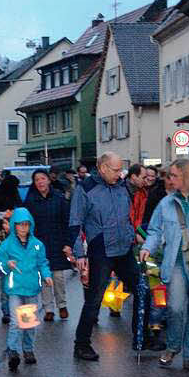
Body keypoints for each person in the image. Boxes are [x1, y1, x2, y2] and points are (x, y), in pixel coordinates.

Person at [69, 151, 144, 361]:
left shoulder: (121, 187)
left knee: (141, 289)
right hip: (101, 250)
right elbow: (75, 222)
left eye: (122, 169)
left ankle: (141, 336)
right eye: (116, 170)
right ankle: (81, 345)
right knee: (94, 299)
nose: (120, 174)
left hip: (124, 248)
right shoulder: (85, 189)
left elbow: (127, 217)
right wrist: (79, 254)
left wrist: (133, 236)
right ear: (102, 168)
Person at [140, 158, 189, 372]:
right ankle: (172, 346)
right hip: (177, 264)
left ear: (186, 177)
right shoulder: (166, 203)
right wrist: (147, 248)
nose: (169, 180)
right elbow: (155, 231)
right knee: (175, 308)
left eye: (173, 175)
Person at [0, 208, 53, 371]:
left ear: (30, 226)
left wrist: (46, 275)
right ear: (14, 225)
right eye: (20, 225)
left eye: (26, 225)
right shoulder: (6, 246)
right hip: (15, 289)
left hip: (31, 289)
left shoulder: (37, 245)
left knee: (28, 323)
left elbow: (43, 263)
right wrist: (7, 265)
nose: (23, 228)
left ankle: (28, 350)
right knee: (15, 322)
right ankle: (13, 351)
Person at [24, 169, 72, 321]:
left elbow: (67, 222)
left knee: (58, 277)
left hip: (58, 242)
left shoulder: (59, 198)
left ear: (49, 180)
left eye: (43, 178)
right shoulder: (31, 201)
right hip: (40, 244)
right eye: (37, 180)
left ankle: (62, 305)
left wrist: (68, 243)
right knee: (45, 278)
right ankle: (48, 309)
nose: (40, 182)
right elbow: (27, 224)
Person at [126, 163, 148, 239]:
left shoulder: (142, 192)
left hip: (136, 235)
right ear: (134, 177)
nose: (146, 181)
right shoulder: (120, 192)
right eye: (143, 178)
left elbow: (139, 218)